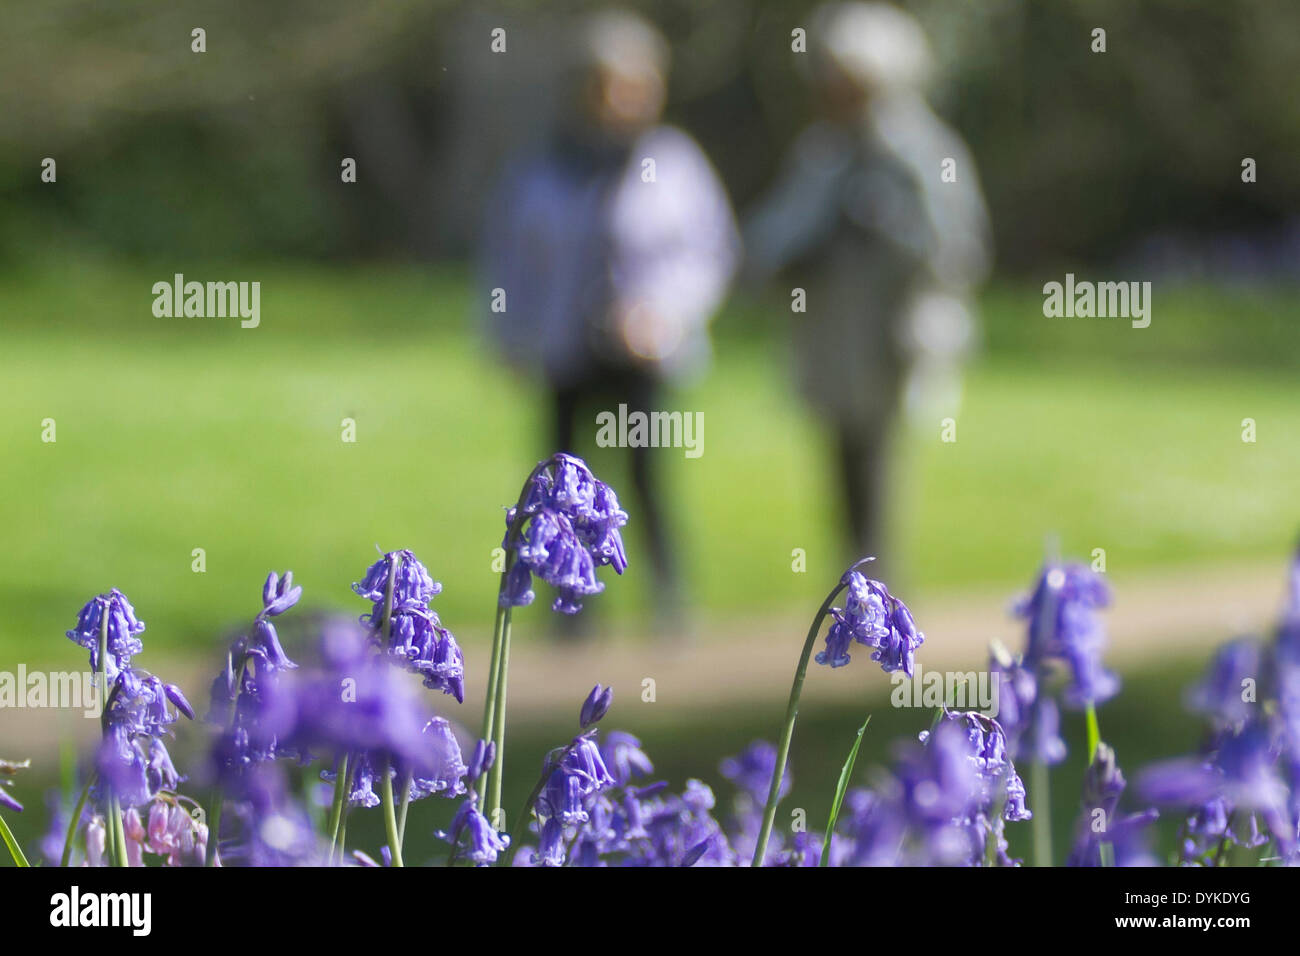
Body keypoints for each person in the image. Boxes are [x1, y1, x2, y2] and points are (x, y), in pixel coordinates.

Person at [481, 9, 740, 628]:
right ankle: (568, 609)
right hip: (564, 347)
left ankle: (667, 600)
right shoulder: (542, 167)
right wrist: (508, 332)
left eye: (639, 86)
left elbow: (711, 251)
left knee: (648, 482)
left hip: (642, 353)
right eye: (610, 86)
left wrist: (665, 314)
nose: (625, 100)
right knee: (559, 483)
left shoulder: (674, 163)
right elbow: (509, 255)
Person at [744, 2, 991, 570]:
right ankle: (854, 585)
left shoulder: (924, 153)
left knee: (879, 464)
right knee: (842, 464)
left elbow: (957, 250)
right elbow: (770, 237)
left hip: (894, 339)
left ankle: (880, 592)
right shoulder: (822, 152)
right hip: (832, 339)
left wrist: (886, 229)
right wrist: (804, 249)